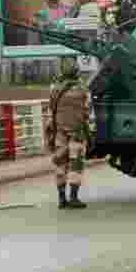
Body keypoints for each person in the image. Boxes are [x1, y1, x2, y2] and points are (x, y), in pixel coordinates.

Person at [47, 57, 91, 209]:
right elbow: (88, 112)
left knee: (60, 165)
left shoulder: (55, 88)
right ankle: (73, 197)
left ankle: (61, 198)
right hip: (77, 133)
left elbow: (51, 110)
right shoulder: (83, 89)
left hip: (60, 133)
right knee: (76, 165)